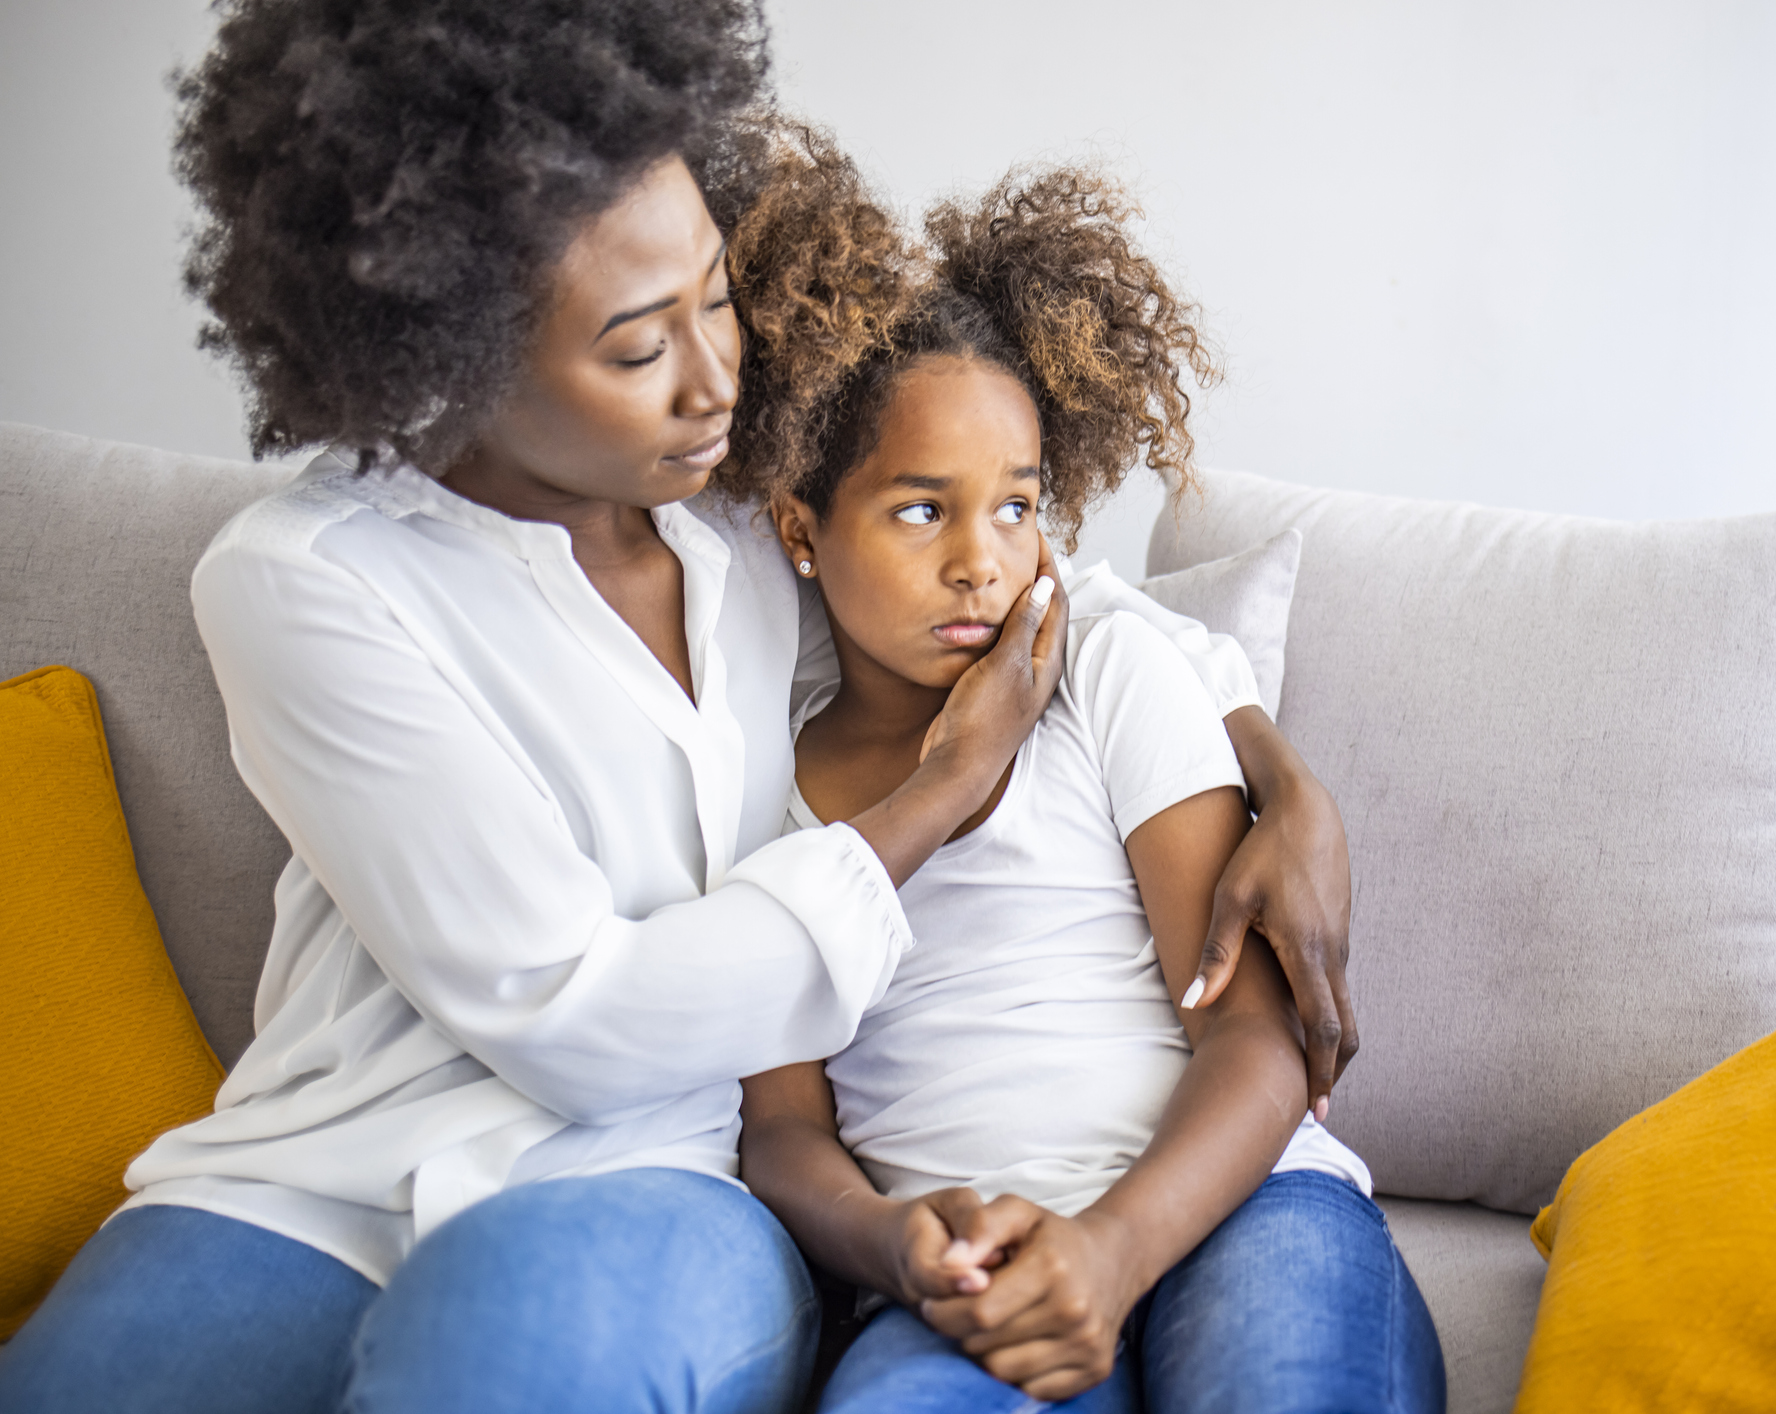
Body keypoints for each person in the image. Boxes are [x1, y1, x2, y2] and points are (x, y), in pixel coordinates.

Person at [0, 4, 1359, 1413]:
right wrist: (932, 801)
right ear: (448, 350)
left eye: (715, 295)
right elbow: (573, 1016)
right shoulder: (306, 580)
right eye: (640, 345)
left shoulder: (742, 501)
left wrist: (1273, 769)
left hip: (654, 1169)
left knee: (497, 1351)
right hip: (323, 1171)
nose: (719, 376)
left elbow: (1020, 573)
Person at [728, 142, 1446, 1413]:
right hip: (968, 1254)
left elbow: (1249, 1028)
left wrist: (1112, 1248)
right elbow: (782, 1128)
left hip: (1239, 1200)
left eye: (1013, 506)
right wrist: (894, 1243)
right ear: (798, 527)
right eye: (917, 511)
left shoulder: (1104, 667)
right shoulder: (753, 771)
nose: (978, 562)